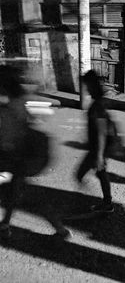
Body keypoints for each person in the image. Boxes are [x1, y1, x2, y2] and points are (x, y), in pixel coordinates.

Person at [0, 65, 71, 240]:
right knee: (20, 193)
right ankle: (6, 224)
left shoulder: (12, 107)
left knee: (27, 196)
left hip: (18, 158)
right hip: (21, 158)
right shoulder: (16, 102)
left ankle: (60, 229)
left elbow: (11, 138)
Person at [76, 70, 114, 213]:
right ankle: (107, 203)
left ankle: (105, 204)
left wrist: (99, 155)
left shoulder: (98, 105)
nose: (85, 88)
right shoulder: (97, 102)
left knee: (81, 174)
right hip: (96, 147)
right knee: (100, 173)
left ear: (92, 85)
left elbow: (102, 132)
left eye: (86, 85)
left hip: (98, 148)